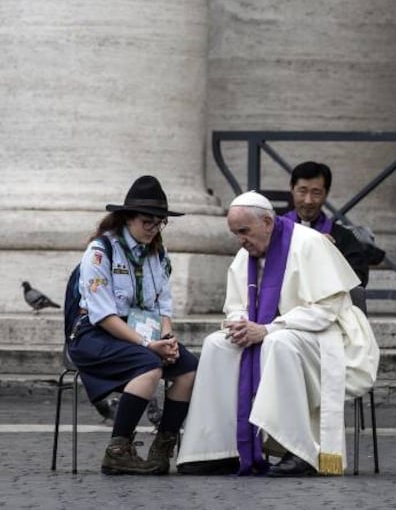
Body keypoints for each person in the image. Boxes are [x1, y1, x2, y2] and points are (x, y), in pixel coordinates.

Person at [176, 191, 379, 477]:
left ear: (268, 222)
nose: (240, 240)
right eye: (235, 233)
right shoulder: (245, 254)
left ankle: (299, 451)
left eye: (244, 231)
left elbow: (325, 311)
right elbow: (236, 306)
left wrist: (268, 329)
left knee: (278, 342)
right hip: (273, 334)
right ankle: (219, 450)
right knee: (217, 344)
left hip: (324, 336)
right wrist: (239, 324)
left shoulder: (309, 244)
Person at [67, 175, 198, 475]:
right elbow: (103, 315)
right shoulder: (101, 252)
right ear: (126, 218)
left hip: (141, 333)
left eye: (159, 222)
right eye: (147, 221)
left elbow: (163, 305)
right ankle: (118, 449)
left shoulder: (158, 254)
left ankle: (162, 446)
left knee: (189, 368)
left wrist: (166, 338)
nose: (154, 228)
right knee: (148, 366)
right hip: (94, 334)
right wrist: (148, 346)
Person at [284, 161, 369, 287]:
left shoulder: (343, 238)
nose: (308, 200)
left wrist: (330, 257)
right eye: (302, 191)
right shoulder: (274, 232)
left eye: (316, 193)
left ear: (326, 193)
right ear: (292, 188)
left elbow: (358, 281)